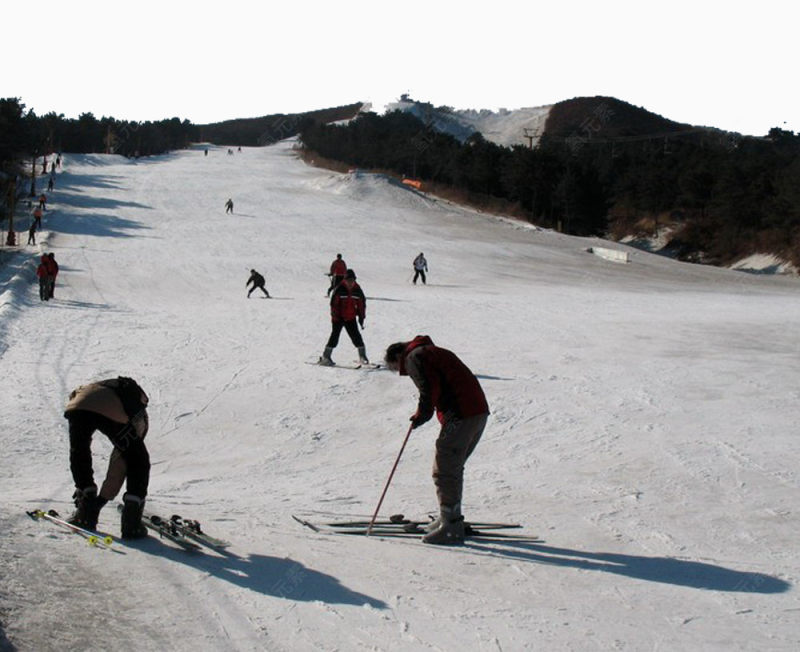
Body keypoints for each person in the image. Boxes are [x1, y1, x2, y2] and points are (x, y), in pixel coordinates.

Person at [384, 336, 489, 545]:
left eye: (396, 368)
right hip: (476, 412)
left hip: (461, 413)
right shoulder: (431, 352)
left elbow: (428, 389)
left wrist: (420, 415)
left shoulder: (415, 357)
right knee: (451, 467)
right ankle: (448, 517)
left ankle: (451, 526)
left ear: (398, 356)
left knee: (445, 469)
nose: (401, 372)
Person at [63, 377, 151, 538]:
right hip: (107, 407)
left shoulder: (91, 387)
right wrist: (103, 500)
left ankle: (84, 512)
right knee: (138, 460)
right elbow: (120, 461)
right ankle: (132, 522)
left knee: (79, 452)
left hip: (76, 407)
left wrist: (94, 504)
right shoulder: (138, 415)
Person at [320, 269, 368, 365]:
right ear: (345, 280)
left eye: (352, 280)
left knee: (356, 336)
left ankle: (363, 356)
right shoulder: (339, 289)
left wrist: (361, 318)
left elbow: (361, 304)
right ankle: (326, 356)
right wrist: (336, 316)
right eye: (348, 280)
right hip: (338, 318)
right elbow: (333, 304)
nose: (350, 282)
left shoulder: (357, 290)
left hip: (350, 317)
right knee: (335, 336)